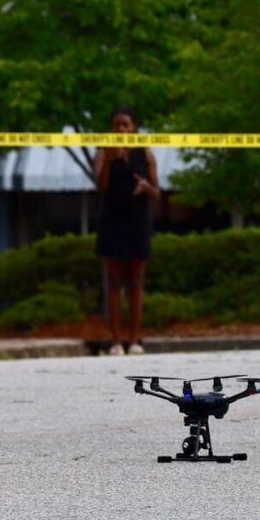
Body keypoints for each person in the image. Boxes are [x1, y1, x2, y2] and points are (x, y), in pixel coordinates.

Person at [94, 106, 160, 356]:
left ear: (134, 128)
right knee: (113, 282)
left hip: (137, 220)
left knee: (135, 281)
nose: (120, 129)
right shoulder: (103, 151)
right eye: (117, 124)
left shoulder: (146, 154)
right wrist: (110, 162)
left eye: (126, 124)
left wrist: (145, 186)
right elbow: (100, 187)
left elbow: (157, 192)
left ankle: (134, 340)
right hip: (112, 218)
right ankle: (115, 342)